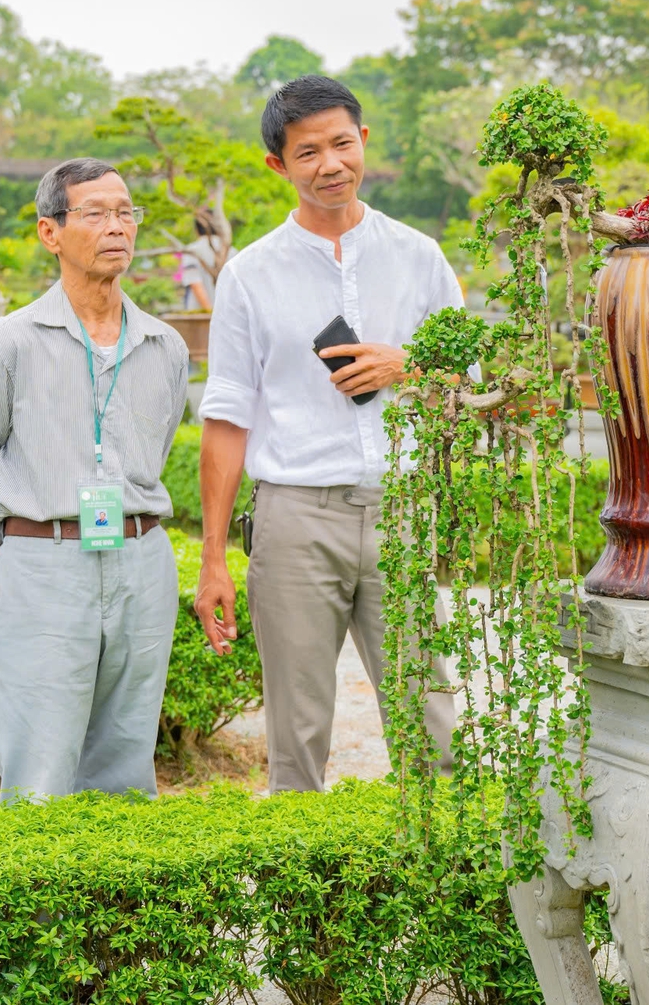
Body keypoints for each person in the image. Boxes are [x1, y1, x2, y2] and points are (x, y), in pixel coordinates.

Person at [194, 74, 458, 794]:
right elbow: (226, 419)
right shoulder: (249, 275)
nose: (330, 163)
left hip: (401, 509)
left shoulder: (419, 258)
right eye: (308, 152)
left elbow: (475, 381)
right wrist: (214, 560)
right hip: (293, 517)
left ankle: (441, 892)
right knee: (297, 734)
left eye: (343, 143)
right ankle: (308, 905)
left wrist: (411, 362)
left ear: (364, 142)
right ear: (279, 166)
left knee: (432, 724)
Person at [0, 158, 190, 802]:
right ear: (49, 233)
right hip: (42, 560)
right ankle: (40, 905)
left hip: (142, 558)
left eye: (126, 212)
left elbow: (157, 450)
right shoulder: (8, 344)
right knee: (39, 764)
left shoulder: (165, 346)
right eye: (94, 213)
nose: (117, 227)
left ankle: (119, 899)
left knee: (127, 754)